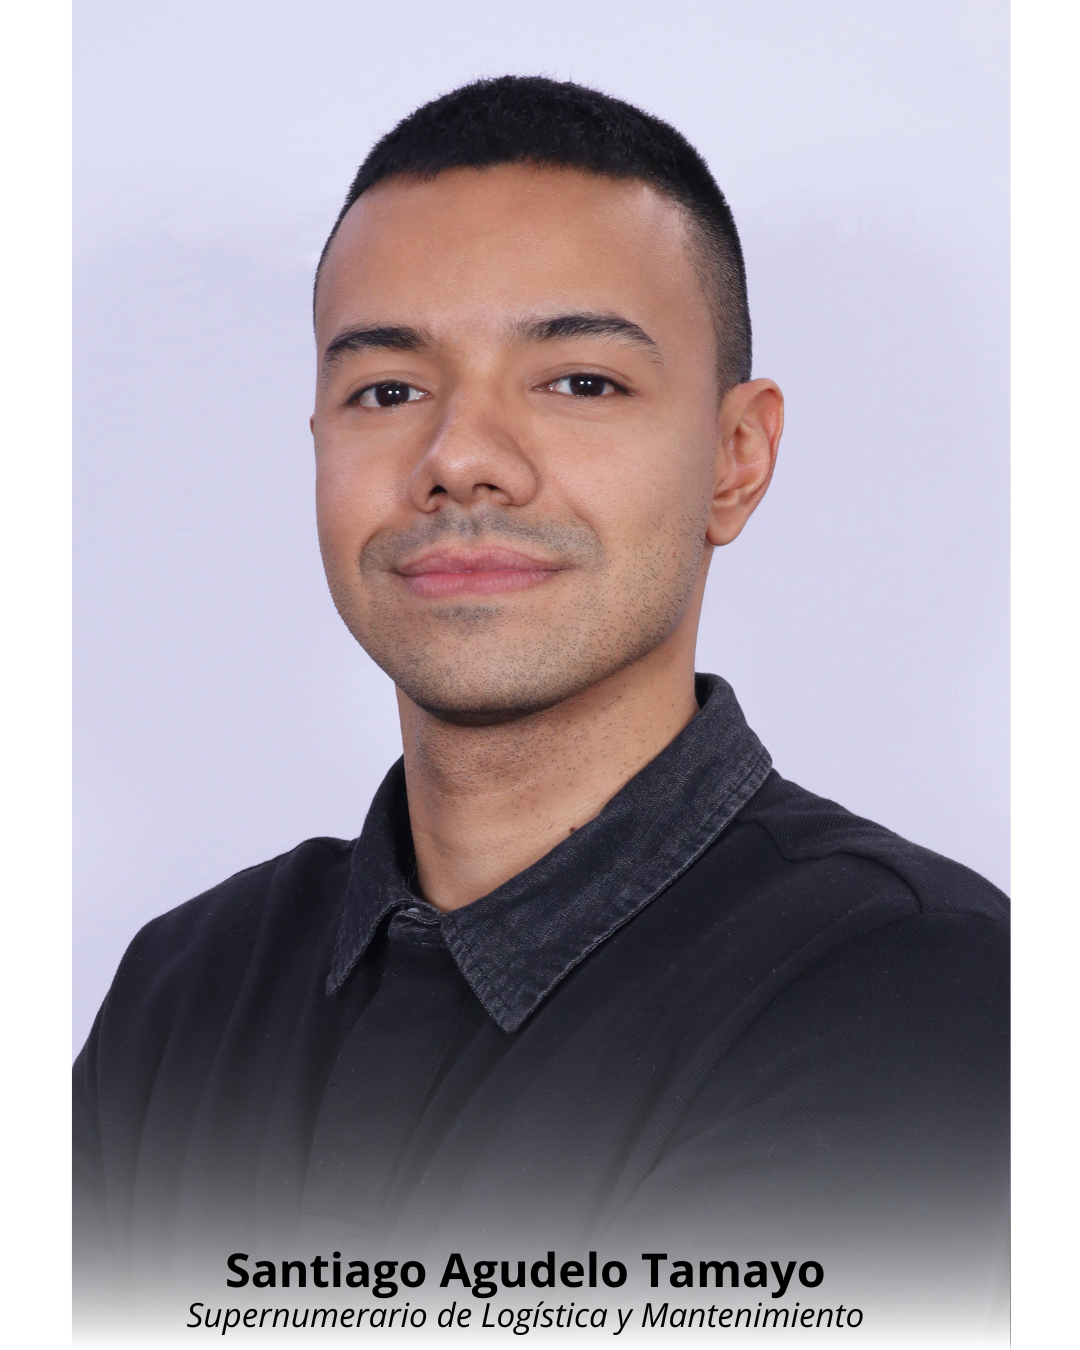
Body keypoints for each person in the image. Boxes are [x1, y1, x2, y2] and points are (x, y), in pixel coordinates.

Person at [74, 76, 1007, 1330]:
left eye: (578, 383)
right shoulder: (186, 988)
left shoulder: (914, 985)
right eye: (387, 390)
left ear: (736, 460)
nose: (461, 458)